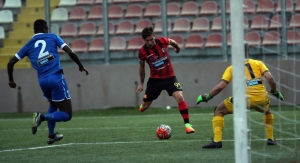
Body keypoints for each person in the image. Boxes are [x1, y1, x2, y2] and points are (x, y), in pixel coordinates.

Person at [7, 19, 89, 145]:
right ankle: (41, 117)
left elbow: (11, 63)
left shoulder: (28, 44)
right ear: (45, 29)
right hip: (56, 78)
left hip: (42, 81)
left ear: (34, 31)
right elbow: (70, 52)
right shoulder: (53, 37)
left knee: (54, 106)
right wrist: (80, 65)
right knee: (67, 114)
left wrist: (11, 80)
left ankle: (51, 135)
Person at [196, 45, 284, 148]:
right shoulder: (258, 63)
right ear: (249, 53)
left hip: (243, 100)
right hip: (262, 98)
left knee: (218, 111)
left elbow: (221, 86)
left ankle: (217, 141)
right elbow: (270, 77)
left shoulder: (232, 68)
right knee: (267, 111)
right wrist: (274, 91)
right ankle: (271, 139)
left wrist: (208, 97)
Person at [136, 26, 195, 134]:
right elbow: (142, 68)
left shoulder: (162, 41)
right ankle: (143, 105)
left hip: (170, 78)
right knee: (144, 107)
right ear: (144, 40)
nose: (149, 42)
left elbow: (172, 41)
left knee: (180, 97)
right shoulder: (142, 52)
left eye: (151, 39)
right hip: (155, 80)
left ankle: (188, 125)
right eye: (147, 40)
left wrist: (177, 48)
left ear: (154, 36)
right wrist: (142, 83)